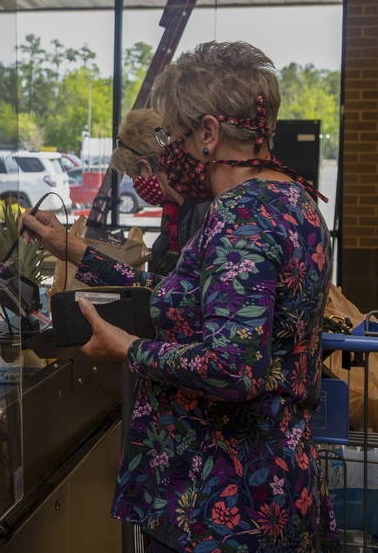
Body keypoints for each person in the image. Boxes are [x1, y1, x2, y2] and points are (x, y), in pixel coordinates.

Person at [20, 41, 337, 552]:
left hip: (226, 504)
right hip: (271, 486)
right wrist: (73, 249)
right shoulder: (293, 199)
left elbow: (235, 366)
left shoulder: (241, 217)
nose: (168, 151)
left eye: (174, 134)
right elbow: (182, 297)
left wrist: (128, 349)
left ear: (209, 134)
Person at [110, 108, 209, 275]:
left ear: (145, 166)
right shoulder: (172, 212)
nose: (135, 184)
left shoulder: (204, 211)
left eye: (133, 176)